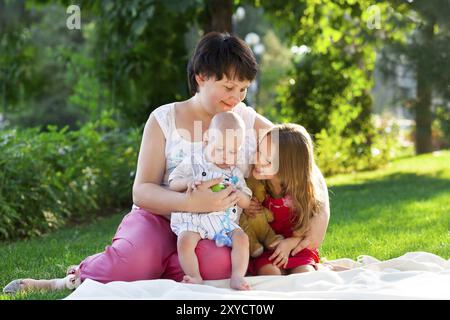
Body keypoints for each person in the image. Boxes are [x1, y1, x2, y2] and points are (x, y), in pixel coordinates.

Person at [3, 32, 329, 294]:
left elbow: (302, 165)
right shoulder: (164, 119)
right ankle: (68, 280)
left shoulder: (247, 119)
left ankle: (157, 267)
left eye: (243, 89)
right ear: (201, 77)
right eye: (229, 87)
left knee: (218, 266)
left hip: (214, 226)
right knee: (136, 259)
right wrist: (190, 201)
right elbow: (141, 191)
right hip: (158, 217)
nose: (236, 98)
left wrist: (308, 236)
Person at [169, 111, 251, 290]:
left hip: (223, 221)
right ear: (207, 140)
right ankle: (194, 276)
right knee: (184, 241)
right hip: (195, 218)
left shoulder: (235, 173)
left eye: (232, 152)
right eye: (220, 149)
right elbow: (173, 182)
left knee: (242, 239)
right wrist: (188, 182)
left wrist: (239, 195)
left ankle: (237, 276)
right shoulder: (194, 161)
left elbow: (247, 201)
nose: (225, 156)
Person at [248, 123, 330, 275]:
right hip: (268, 249)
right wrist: (247, 205)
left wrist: (290, 243)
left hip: (298, 249)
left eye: (268, 161)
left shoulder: (303, 193)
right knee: (269, 274)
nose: (257, 160)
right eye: (258, 151)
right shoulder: (257, 187)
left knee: (304, 274)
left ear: (287, 168)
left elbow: (309, 230)